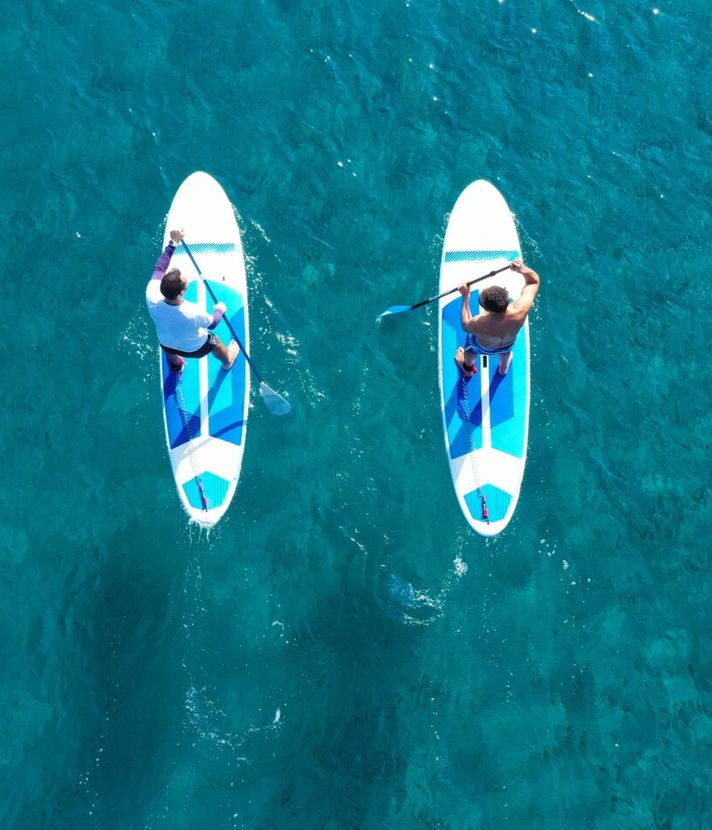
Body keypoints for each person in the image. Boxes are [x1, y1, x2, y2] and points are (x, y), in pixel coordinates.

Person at [145, 228, 238, 373]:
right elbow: (213, 323)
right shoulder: (192, 312)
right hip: (196, 349)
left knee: (169, 347)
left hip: (166, 344)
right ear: (182, 292)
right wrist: (219, 310)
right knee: (216, 341)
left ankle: (176, 365)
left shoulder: (152, 294)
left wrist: (173, 243)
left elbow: (159, 268)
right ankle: (228, 361)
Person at [454, 257, 540, 378]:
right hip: (507, 345)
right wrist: (522, 269)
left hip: (482, 347)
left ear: (487, 309)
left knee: (470, 349)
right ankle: (503, 370)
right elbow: (533, 282)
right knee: (506, 353)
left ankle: (468, 370)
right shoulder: (521, 309)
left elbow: (465, 324)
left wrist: (466, 295)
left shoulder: (480, 324)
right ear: (506, 297)